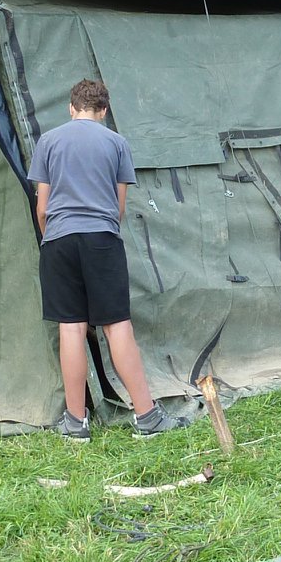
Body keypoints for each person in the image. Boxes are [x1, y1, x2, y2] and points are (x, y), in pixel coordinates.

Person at [27, 78, 184, 440]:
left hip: (59, 240)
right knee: (116, 326)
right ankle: (147, 418)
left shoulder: (48, 141)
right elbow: (119, 208)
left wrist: (53, 238)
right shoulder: (116, 143)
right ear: (104, 110)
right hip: (101, 238)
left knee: (71, 327)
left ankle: (75, 422)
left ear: (71, 108)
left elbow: (42, 208)